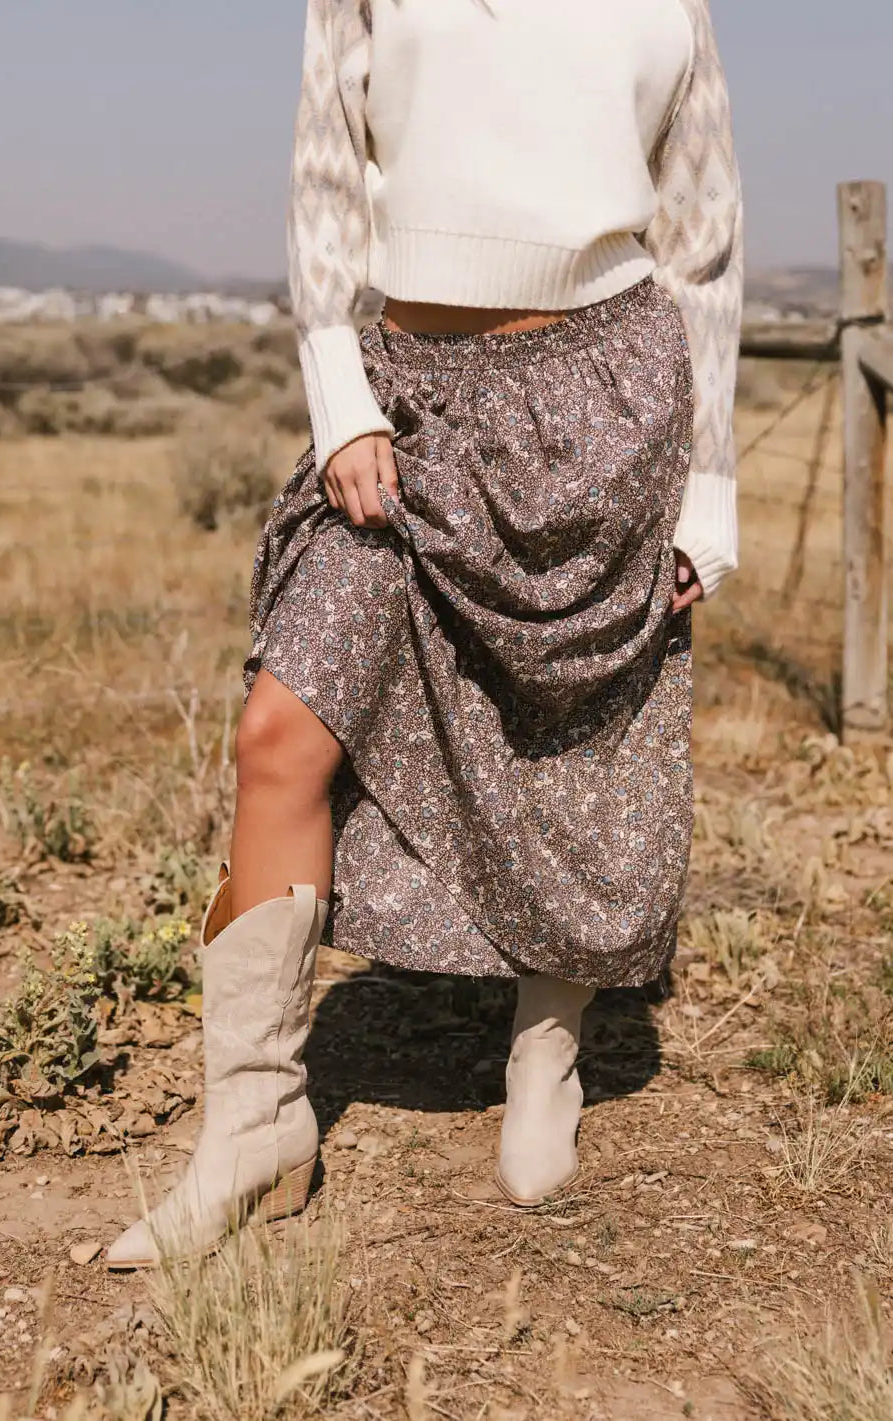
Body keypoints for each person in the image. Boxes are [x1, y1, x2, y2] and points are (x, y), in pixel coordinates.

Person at [107, 0, 742, 1269]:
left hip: (608, 395)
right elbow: (325, 181)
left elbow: (704, 239)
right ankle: (255, 1127)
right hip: (404, 398)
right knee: (280, 729)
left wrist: (710, 481)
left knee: (573, 733)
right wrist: (339, 396)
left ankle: (546, 1050)